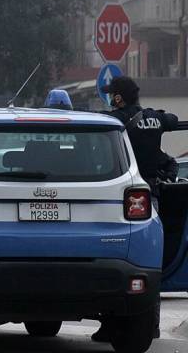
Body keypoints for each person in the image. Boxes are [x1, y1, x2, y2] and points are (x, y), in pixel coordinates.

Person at [92, 76, 179, 342]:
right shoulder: (153, 118)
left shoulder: (115, 121)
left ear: (118, 97)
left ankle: (112, 326)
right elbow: (173, 120)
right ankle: (148, 325)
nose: (109, 98)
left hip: (124, 197)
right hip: (151, 196)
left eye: (112, 94)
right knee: (148, 262)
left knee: (121, 260)